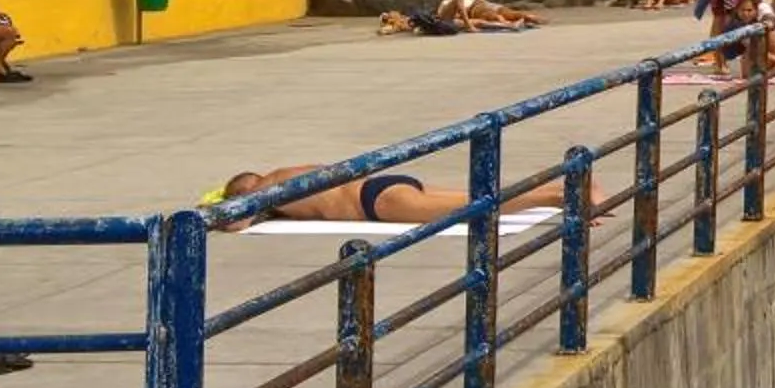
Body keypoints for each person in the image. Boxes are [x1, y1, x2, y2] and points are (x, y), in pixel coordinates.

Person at [211, 166, 570, 228]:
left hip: (376, 205)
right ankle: (558, 189)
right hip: (383, 184)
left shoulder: (266, 188)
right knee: (478, 196)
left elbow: (236, 220)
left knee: (472, 207)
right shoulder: (290, 173)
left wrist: (213, 207)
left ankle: (556, 197)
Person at [435, 0, 543, 30]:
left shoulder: (444, 8)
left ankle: (511, 24)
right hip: (481, 3)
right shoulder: (446, 10)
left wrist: (468, 25)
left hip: (475, 8)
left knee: (498, 17)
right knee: (513, 14)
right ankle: (536, 20)